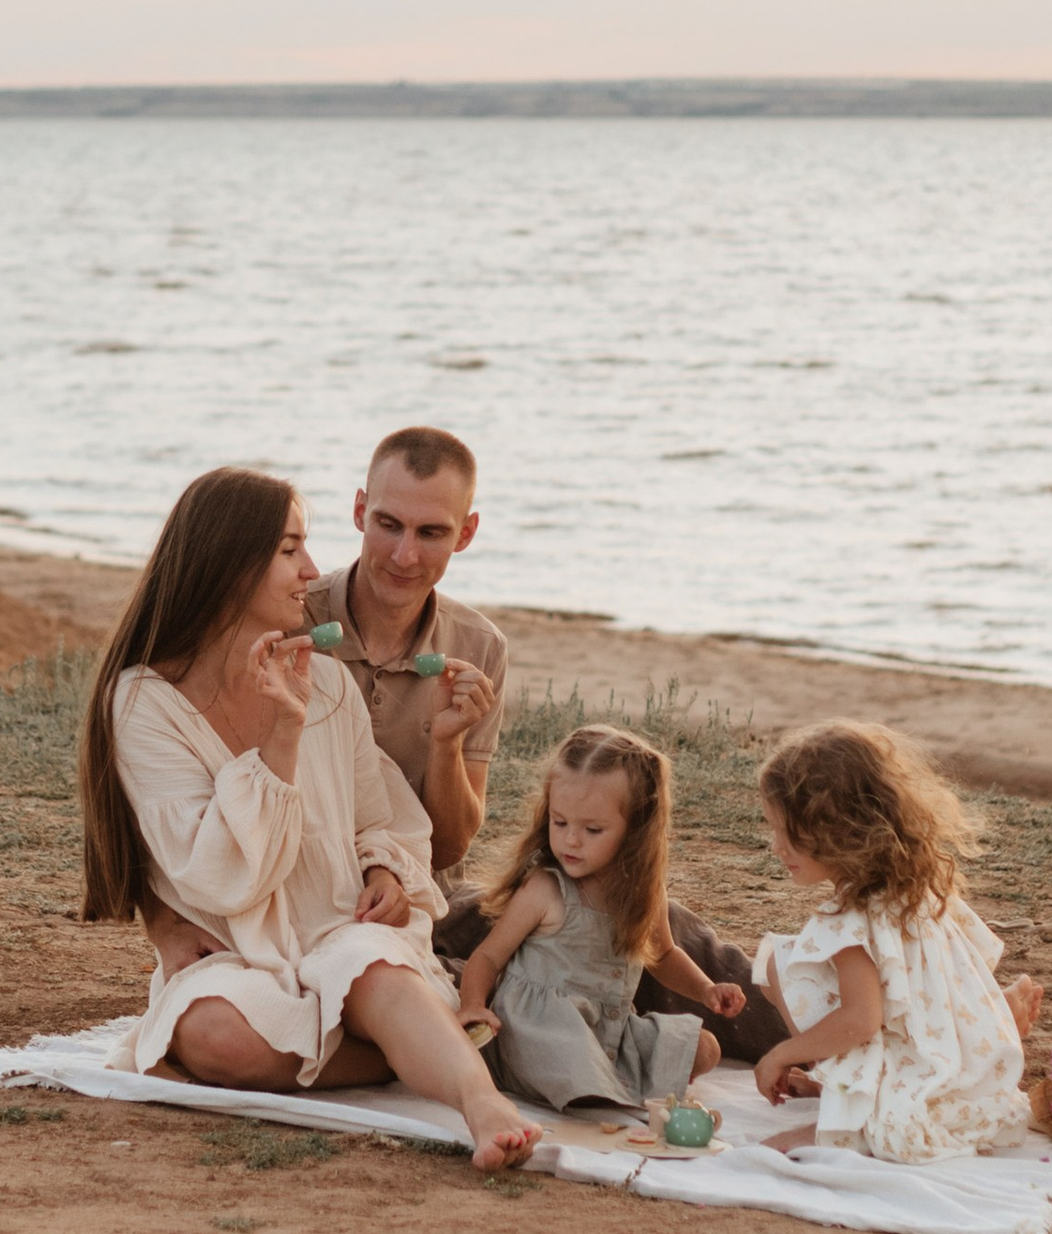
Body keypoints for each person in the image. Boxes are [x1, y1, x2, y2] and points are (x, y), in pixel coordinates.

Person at [77, 464, 536, 1175]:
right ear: (230, 565)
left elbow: (381, 816)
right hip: (230, 943)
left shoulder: (323, 678)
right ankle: (415, 1050)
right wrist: (281, 740)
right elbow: (223, 878)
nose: (313, 570)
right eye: (291, 550)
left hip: (337, 921)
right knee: (213, 1038)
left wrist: (383, 865)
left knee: (369, 964)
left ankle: (480, 1103)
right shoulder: (144, 703)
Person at [748, 723, 1046, 1162]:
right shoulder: (918, 892)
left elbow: (862, 1019)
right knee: (790, 959)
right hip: (947, 1058)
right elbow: (962, 975)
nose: (776, 848)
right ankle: (847, 1082)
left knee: (778, 958)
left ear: (837, 831)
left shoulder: (846, 921)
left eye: (788, 834)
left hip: (905, 1074)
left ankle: (848, 1103)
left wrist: (782, 1054)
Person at [456, 724, 747, 1112]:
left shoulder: (644, 893)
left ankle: (604, 1079)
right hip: (541, 1035)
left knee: (704, 1048)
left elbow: (662, 955)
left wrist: (706, 989)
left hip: (609, 1034)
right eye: (559, 823)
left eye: (592, 829)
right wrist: (473, 1005)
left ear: (636, 830)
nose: (571, 840)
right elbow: (489, 956)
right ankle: (596, 1085)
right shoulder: (547, 889)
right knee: (573, 1060)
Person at [306, 428, 506, 878]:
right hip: (304, 886)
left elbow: (450, 849)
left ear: (466, 533)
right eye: (388, 524)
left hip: (424, 897)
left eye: (431, 533)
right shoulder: (291, 617)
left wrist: (446, 742)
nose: (405, 556)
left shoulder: (480, 647)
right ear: (360, 511)